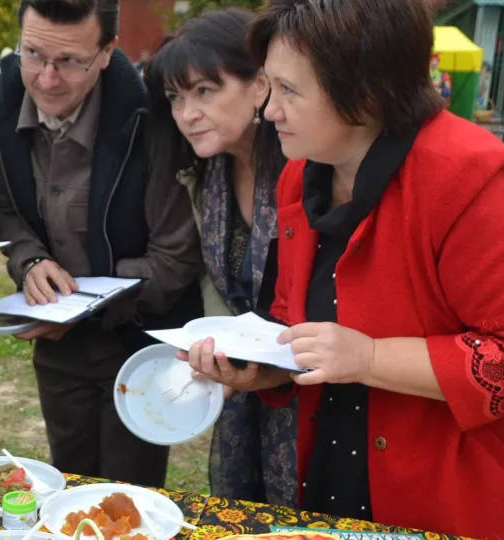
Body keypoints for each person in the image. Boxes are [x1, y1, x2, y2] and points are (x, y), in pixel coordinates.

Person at [186, 0, 504, 536]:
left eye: (289, 91)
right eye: (269, 86)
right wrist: (261, 366)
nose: (270, 111)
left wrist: (369, 356)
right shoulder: (303, 176)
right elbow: (298, 324)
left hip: (449, 496)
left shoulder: (470, 176)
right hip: (332, 471)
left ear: (365, 92)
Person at [0, 0, 204, 488]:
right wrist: (29, 258)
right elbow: (3, 207)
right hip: (58, 353)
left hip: (140, 346)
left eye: (70, 62)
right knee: (70, 485)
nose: (45, 79)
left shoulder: (151, 119)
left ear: (107, 52)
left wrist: (81, 307)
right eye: (34, 54)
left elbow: (175, 259)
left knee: (130, 497)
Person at [147, 10, 296, 507]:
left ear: (259, 87)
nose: (186, 113)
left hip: (317, 396)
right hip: (242, 390)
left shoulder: (308, 169)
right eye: (175, 97)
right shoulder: (207, 174)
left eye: (205, 91)